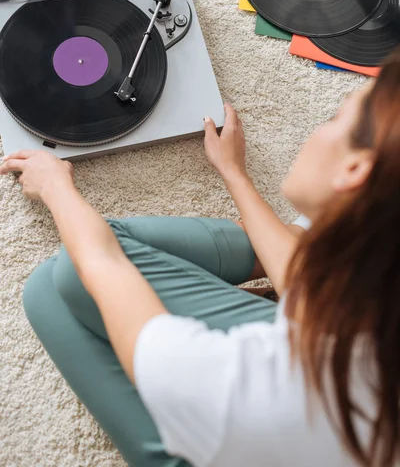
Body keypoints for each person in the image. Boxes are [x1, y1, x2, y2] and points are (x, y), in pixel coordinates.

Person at [1, 53, 399, 467]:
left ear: (354, 170)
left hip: (262, 420)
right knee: (43, 289)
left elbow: (105, 266)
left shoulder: (274, 384)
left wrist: (56, 187)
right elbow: (313, 291)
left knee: (67, 274)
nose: (320, 127)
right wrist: (234, 174)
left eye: (335, 117)